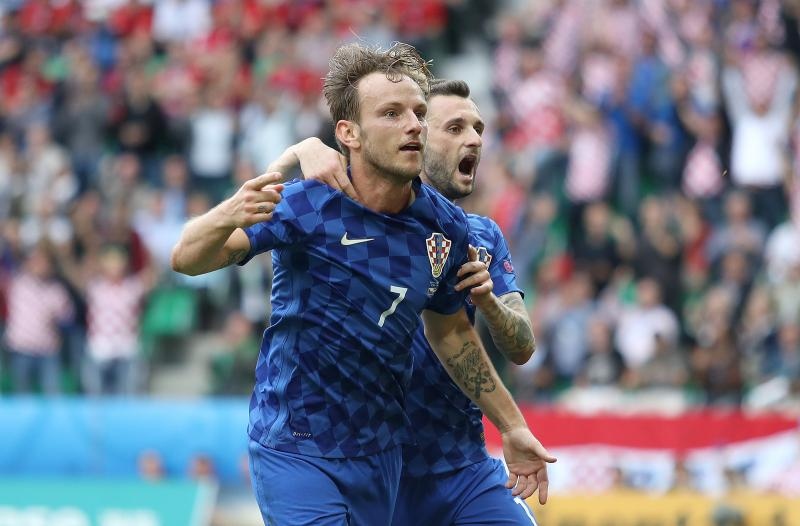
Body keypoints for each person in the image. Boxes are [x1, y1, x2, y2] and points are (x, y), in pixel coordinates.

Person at [171, 43, 553, 525]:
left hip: (381, 454)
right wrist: (232, 208)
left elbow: (453, 332)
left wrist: (512, 426)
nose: (413, 125)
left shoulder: (448, 229)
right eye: (392, 114)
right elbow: (187, 258)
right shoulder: (308, 205)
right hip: (297, 446)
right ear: (348, 133)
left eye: (418, 114)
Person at [271, 79, 549, 524]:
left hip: (462, 467)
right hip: (375, 471)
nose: (474, 139)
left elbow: (522, 347)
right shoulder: (346, 221)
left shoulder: (480, 237)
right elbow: (256, 215)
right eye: (455, 128)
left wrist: (489, 303)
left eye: (478, 128)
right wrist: (298, 150)